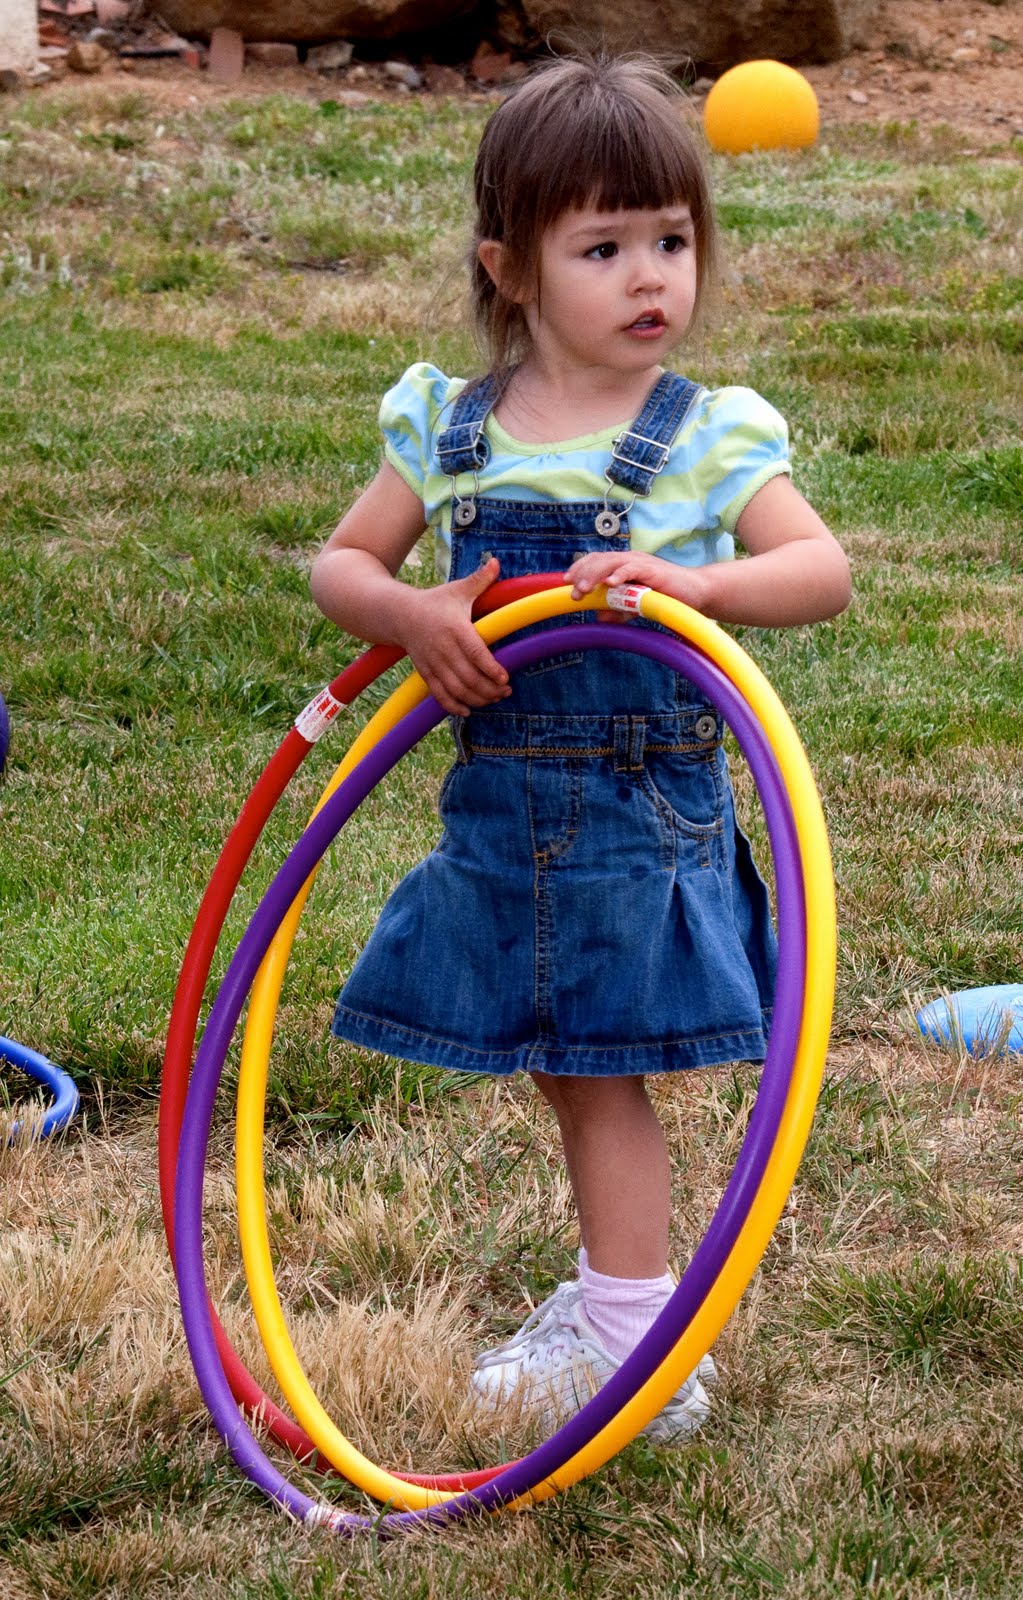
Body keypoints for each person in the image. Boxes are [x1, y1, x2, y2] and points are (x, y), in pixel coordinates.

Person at [310, 53, 850, 1443]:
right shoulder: (454, 429)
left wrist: (702, 585)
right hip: (501, 814)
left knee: (599, 1071)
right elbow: (343, 566)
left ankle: (632, 1339)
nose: (649, 276)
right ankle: (623, 1308)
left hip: (632, 812)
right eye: (602, 248)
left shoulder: (704, 437)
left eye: (671, 240)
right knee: (568, 1061)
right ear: (511, 269)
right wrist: (413, 613)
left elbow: (821, 570)